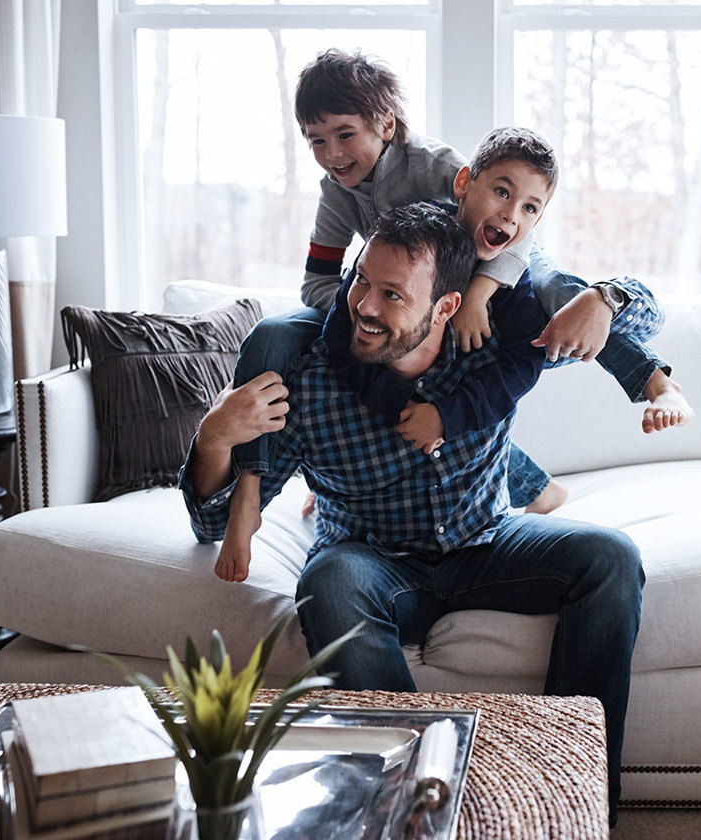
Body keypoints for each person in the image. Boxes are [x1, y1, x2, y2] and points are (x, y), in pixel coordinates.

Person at [181, 203, 644, 817]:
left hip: (486, 541)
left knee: (611, 557)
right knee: (329, 579)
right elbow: (212, 525)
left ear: (447, 306)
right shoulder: (311, 381)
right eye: (361, 283)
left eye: (393, 294)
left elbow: (644, 325)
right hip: (373, 562)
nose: (365, 306)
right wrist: (213, 437)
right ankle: (413, 805)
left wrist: (606, 298)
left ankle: (573, 796)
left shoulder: (493, 348)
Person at [225, 50, 693, 529]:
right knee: (276, 335)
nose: (331, 154)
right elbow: (317, 281)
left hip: (495, 267)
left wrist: (480, 294)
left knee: (560, 295)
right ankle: (255, 481)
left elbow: (504, 219)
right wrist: (373, 306)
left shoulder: (435, 167)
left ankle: (655, 382)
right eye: (316, 141)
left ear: (386, 124)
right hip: (414, 307)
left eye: (345, 135)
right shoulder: (336, 193)